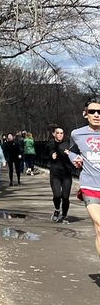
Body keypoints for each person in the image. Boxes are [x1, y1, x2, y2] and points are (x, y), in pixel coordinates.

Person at [67, 101, 100, 262]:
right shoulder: (77, 134)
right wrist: (75, 158)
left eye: (99, 112)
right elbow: (72, 151)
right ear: (85, 114)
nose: (96, 115)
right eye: (92, 111)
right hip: (90, 185)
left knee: (99, 230)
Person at [47, 125, 75, 223]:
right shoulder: (50, 144)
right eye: (58, 133)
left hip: (66, 174)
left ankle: (64, 215)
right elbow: (44, 156)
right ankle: (57, 209)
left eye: (61, 133)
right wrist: (51, 156)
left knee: (65, 197)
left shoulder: (67, 144)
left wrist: (70, 154)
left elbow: (75, 154)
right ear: (54, 134)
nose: (60, 135)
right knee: (57, 195)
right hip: (55, 174)